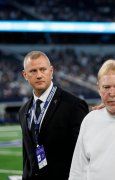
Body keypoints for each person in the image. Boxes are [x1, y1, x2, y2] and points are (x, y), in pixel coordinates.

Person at [19, 51, 89, 180]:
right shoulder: (24, 110)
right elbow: (27, 156)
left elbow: (83, 154)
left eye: (43, 69)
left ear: (51, 71)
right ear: (25, 75)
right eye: (33, 71)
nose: (39, 75)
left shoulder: (73, 105)